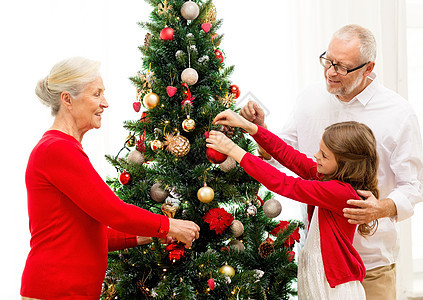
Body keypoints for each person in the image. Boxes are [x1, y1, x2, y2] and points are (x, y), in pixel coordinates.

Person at [240, 24, 423, 299]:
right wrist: (261, 132)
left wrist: (379, 208)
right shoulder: (310, 97)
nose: (330, 72)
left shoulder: (398, 113)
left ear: (368, 68)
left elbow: (413, 186)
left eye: (342, 67)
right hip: (317, 261)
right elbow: (287, 156)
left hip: (372, 263)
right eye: (328, 61)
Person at [21, 57, 200, 300]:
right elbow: (114, 212)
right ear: (67, 99)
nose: (105, 103)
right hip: (57, 291)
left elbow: (90, 235)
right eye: (97, 94)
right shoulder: (57, 149)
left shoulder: (62, 148)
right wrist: (171, 225)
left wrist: (156, 233)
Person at [206, 109, 380, 299]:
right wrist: (249, 126)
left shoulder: (340, 192)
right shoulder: (329, 178)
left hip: (334, 289)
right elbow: (290, 156)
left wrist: (233, 150)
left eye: (324, 155)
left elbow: (285, 184)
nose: (316, 156)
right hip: (318, 279)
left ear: (345, 164)